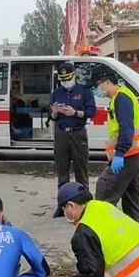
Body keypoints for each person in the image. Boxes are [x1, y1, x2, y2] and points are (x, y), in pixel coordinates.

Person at [92, 69, 139, 227]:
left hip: (128, 156)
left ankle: (102, 232)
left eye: (98, 86)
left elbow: (126, 129)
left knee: (105, 192)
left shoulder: (121, 98)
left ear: (107, 82)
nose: (97, 90)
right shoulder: (121, 96)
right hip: (134, 155)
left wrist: (119, 154)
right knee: (131, 198)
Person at [50, 61, 96, 189]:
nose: (65, 82)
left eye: (67, 79)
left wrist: (75, 113)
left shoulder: (84, 91)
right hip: (61, 134)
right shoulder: (56, 93)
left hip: (78, 132)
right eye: (62, 79)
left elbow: (91, 112)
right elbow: (52, 117)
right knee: (62, 170)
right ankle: (64, 203)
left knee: (81, 170)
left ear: (74, 76)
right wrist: (54, 113)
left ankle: (83, 202)